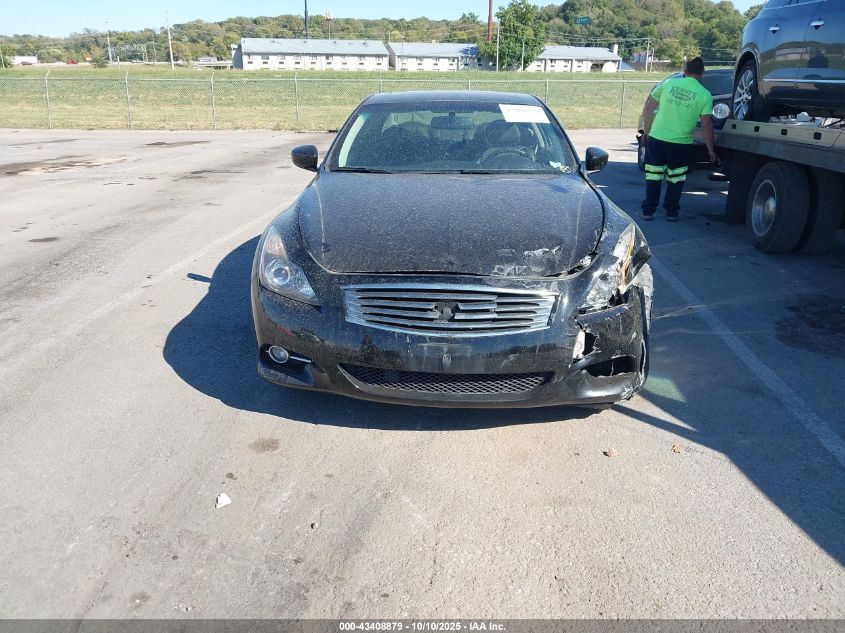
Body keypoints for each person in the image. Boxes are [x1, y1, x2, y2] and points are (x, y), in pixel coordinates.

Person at [640, 57, 718, 222]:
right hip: (681, 143)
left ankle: (648, 211)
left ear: (685, 70)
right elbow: (706, 124)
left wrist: (646, 131)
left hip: (657, 138)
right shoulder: (705, 95)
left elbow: (649, 108)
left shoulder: (668, 84)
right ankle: (672, 212)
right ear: (702, 73)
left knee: (653, 176)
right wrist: (711, 150)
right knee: (676, 178)